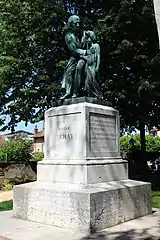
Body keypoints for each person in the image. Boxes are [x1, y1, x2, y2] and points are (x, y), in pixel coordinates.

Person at [61, 15, 103, 100]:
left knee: (80, 67)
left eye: (79, 23)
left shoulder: (85, 33)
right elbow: (74, 50)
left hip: (86, 57)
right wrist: (86, 52)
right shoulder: (68, 36)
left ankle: (76, 92)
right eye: (75, 23)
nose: (78, 25)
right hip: (75, 57)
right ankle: (68, 92)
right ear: (71, 25)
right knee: (69, 72)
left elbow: (94, 41)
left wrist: (91, 35)